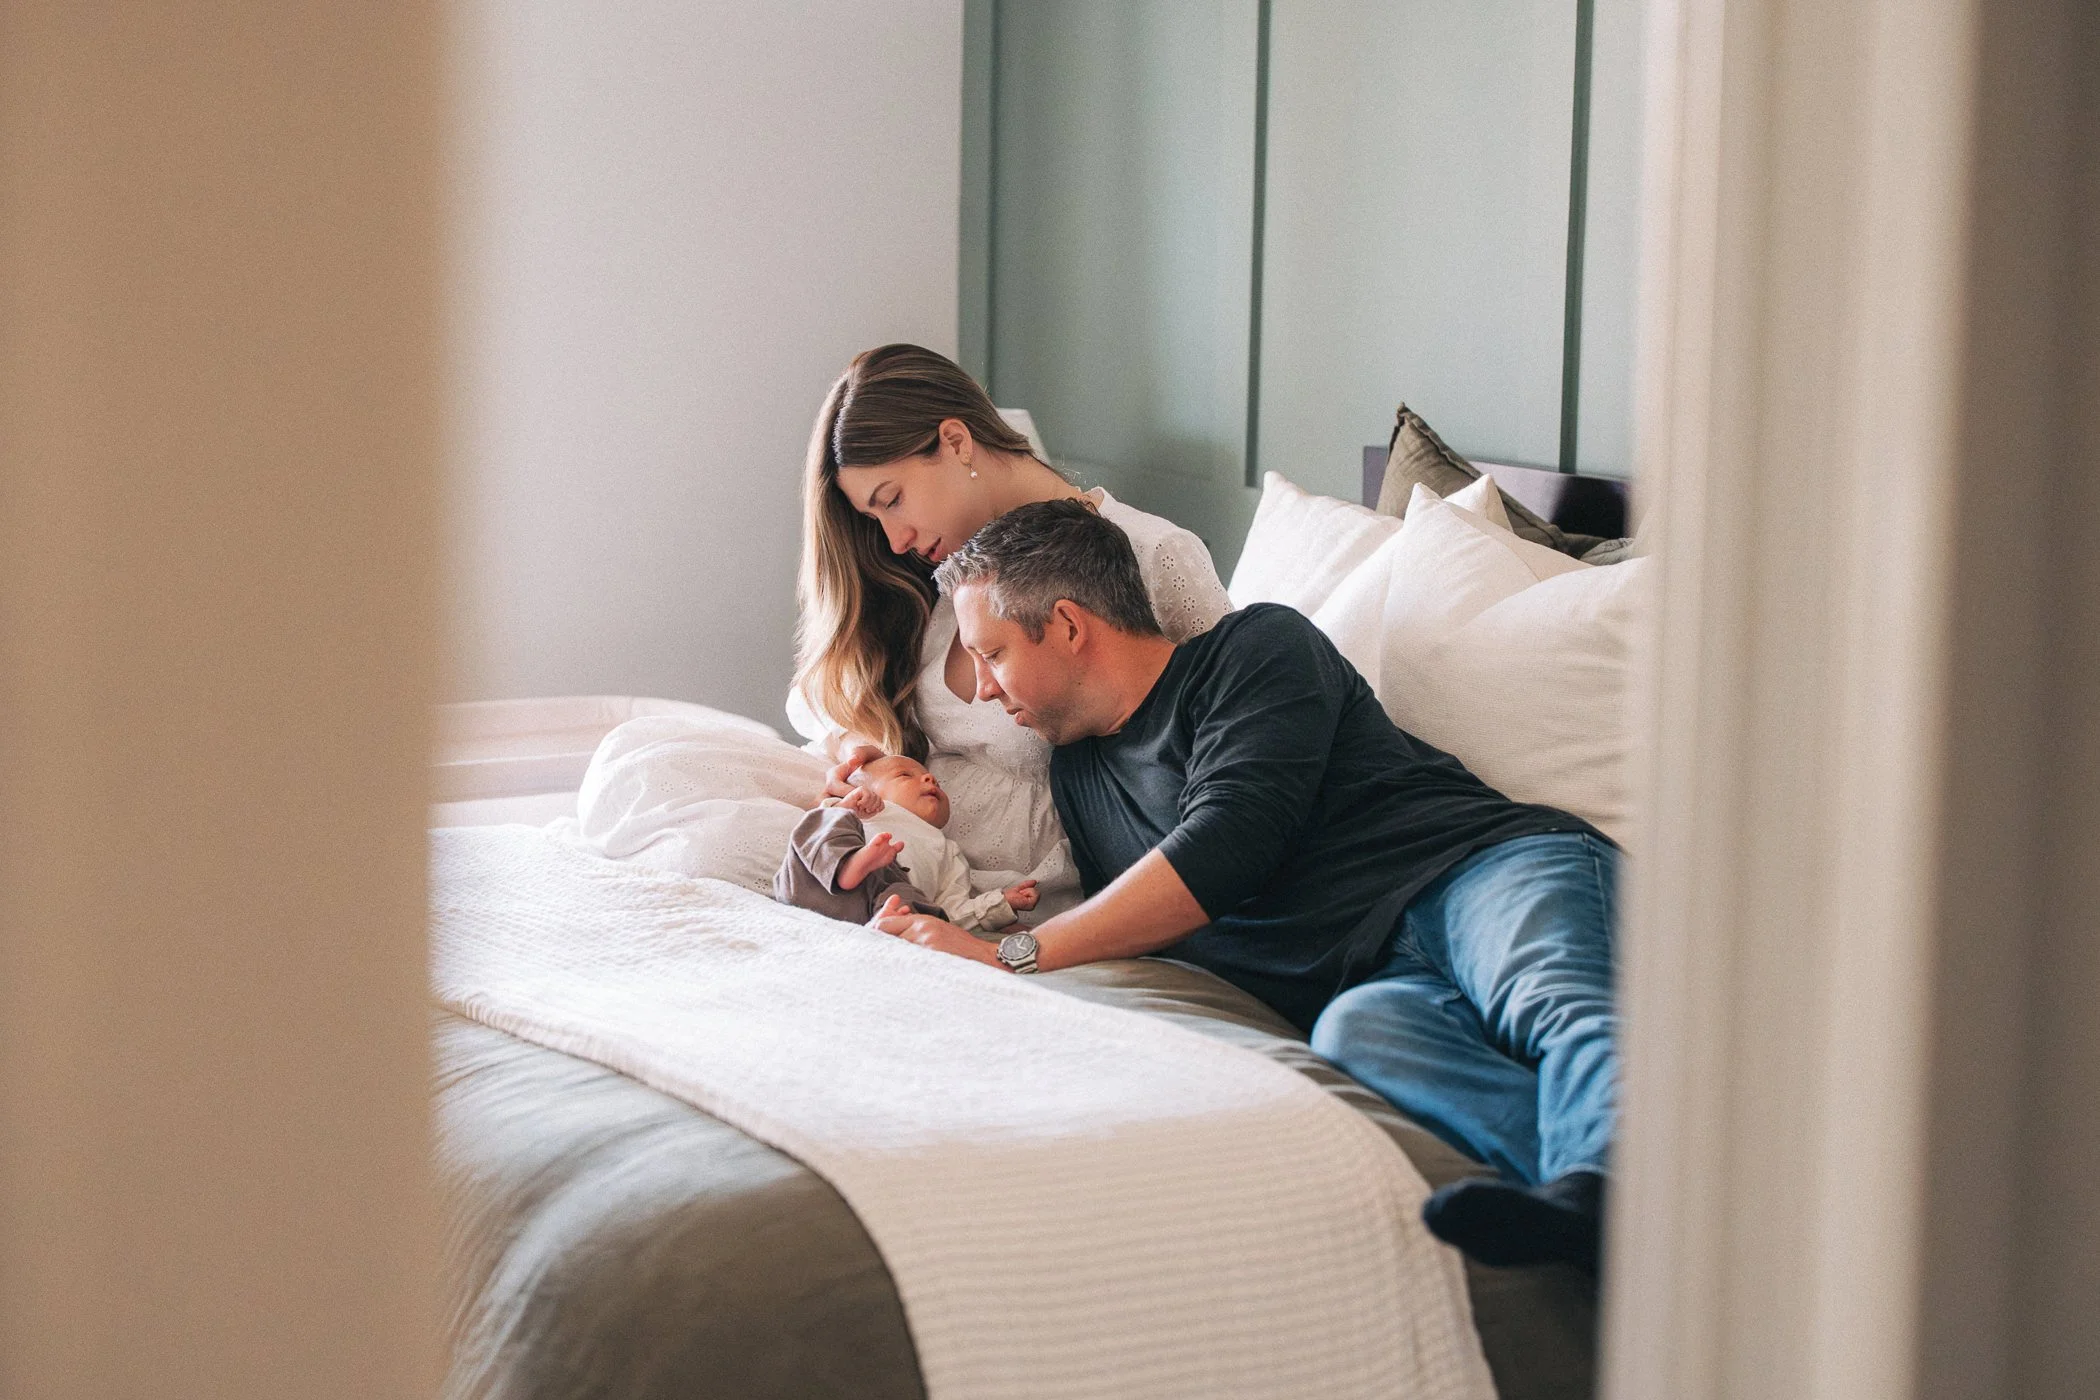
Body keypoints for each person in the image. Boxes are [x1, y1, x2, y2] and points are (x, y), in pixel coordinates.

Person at [880, 499, 1621, 1275]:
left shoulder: (1258, 647)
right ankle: (1592, 1203)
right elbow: (1137, 924)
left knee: (1554, 999)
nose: (987, 692)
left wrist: (1011, 955)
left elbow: (1231, 842)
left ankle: (1609, 1184)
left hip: (1477, 871)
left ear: (1066, 625)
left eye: (991, 654)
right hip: (1374, 979)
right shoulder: (1079, 776)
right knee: (1357, 1037)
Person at [787, 344, 1231, 914]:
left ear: (954, 441)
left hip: (1033, 904)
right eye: (875, 518)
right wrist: (862, 759)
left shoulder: (1153, 555)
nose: (894, 538)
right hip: (907, 879)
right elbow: (816, 694)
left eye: (893, 500)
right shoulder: (933, 572)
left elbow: (1231, 735)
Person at [771, 754, 1050, 932]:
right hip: (815, 888)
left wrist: (1001, 903)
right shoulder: (868, 809)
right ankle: (850, 864)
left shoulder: (947, 851)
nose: (929, 778)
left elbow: (952, 912)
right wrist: (848, 804)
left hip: (881, 904)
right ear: (866, 789)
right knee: (821, 820)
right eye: (905, 775)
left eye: (935, 781)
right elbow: (818, 829)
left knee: (915, 902)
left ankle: (884, 926)